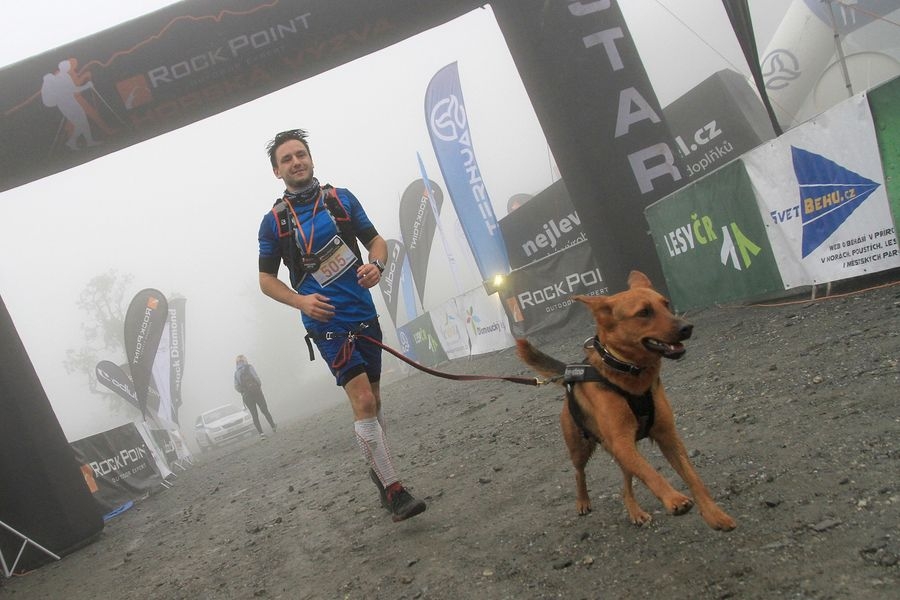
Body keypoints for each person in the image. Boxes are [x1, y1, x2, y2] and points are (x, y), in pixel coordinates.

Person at [257, 128, 426, 523]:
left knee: (375, 403)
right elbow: (266, 280)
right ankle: (395, 489)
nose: (296, 162)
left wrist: (377, 266)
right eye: (287, 159)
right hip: (326, 324)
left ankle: (379, 469)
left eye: (301, 154)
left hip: (364, 314)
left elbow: (377, 241)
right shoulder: (274, 222)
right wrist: (300, 300)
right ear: (276, 172)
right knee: (363, 402)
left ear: (311, 159)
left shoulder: (341, 200)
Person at [234, 355, 277, 439]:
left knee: (254, 415)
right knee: (264, 410)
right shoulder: (249, 367)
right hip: (256, 392)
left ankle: (261, 434)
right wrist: (258, 386)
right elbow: (256, 377)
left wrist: (243, 391)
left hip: (246, 396)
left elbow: (236, 386)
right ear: (245, 360)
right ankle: (273, 426)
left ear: (236, 363)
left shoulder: (236, 373)